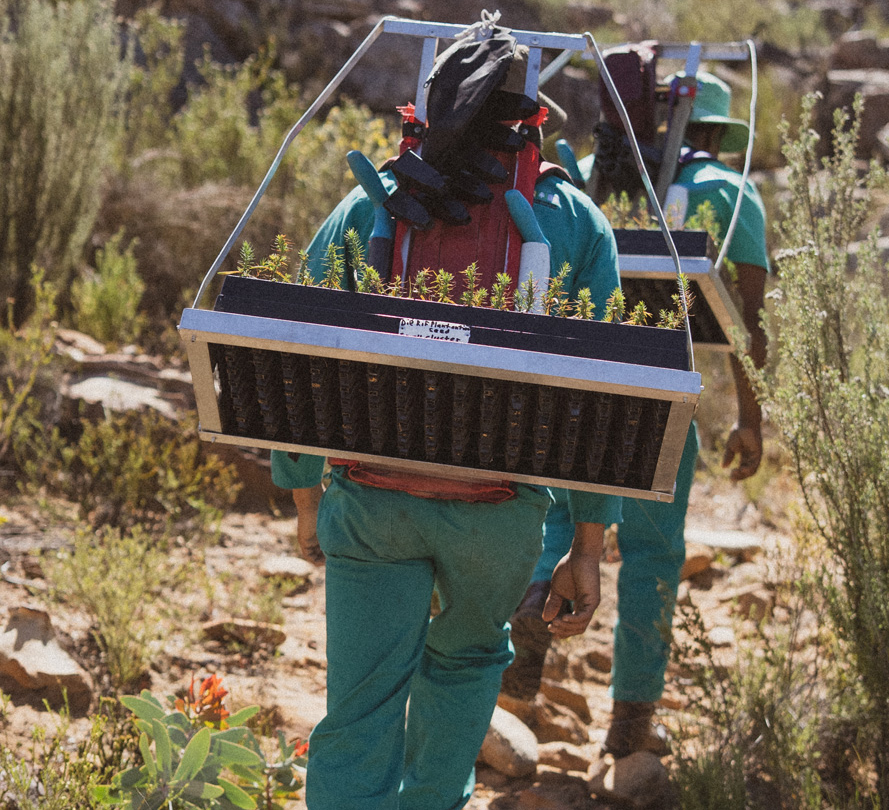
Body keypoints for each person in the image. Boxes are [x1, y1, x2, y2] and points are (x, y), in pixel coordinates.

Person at [272, 140, 628, 810]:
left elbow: (301, 348)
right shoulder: (576, 216)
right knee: (465, 660)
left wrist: (304, 496)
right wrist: (585, 544)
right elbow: (604, 396)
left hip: (374, 500)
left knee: (362, 698)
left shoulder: (370, 200)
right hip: (500, 511)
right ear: (530, 123)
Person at [500, 70, 770, 757]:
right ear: (711, 131)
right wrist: (750, 419)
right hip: (660, 386)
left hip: (575, 378)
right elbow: (749, 325)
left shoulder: (585, 176)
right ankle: (628, 725)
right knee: (653, 550)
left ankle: (527, 644)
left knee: (560, 515)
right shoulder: (731, 194)